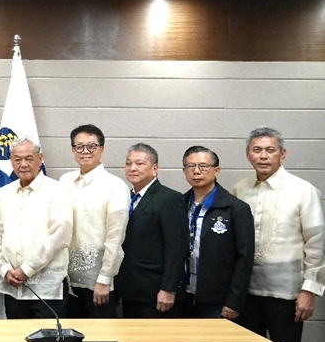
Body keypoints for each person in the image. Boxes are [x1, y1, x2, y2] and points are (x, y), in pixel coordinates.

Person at [233, 127, 324, 342]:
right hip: (247, 293)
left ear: (282, 154)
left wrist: (309, 291)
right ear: (248, 155)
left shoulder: (303, 191)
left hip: (288, 295)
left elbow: (316, 245)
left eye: (270, 150)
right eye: (257, 150)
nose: (264, 156)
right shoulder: (240, 190)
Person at [0, 137, 73, 319]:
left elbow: (61, 235)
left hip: (48, 289)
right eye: (17, 159)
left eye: (29, 158)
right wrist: (4, 269)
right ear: (11, 161)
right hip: (13, 285)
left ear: (40, 158)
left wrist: (27, 269)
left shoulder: (57, 190)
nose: (23, 164)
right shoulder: (4, 194)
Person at [59, 124, 129, 318]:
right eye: (79, 146)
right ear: (73, 150)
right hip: (66, 279)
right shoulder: (64, 181)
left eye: (91, 146)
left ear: (102, 149)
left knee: (103, 338)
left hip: (99, 280)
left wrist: (105, 279)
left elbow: (115, 237)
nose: (85, 151)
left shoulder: (115, 186)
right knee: (70, 338)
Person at [116, 143, 189, 318]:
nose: (132, 168)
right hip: (130, 290)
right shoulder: (126, 197)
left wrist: (168, 289)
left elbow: (177, 249)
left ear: (155, 168)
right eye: (128, 163)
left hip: (157, 293)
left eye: (139, 163)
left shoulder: (169, 198)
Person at [180, 145, 254, 319]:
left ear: (217, 170)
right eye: (191, 167)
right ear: (184, 171)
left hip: (217, 300)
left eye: (204, 166)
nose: (197, 171)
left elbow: (245, 258)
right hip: (183, 296)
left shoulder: (236, 208)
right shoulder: (179, 204)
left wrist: (234, 301)